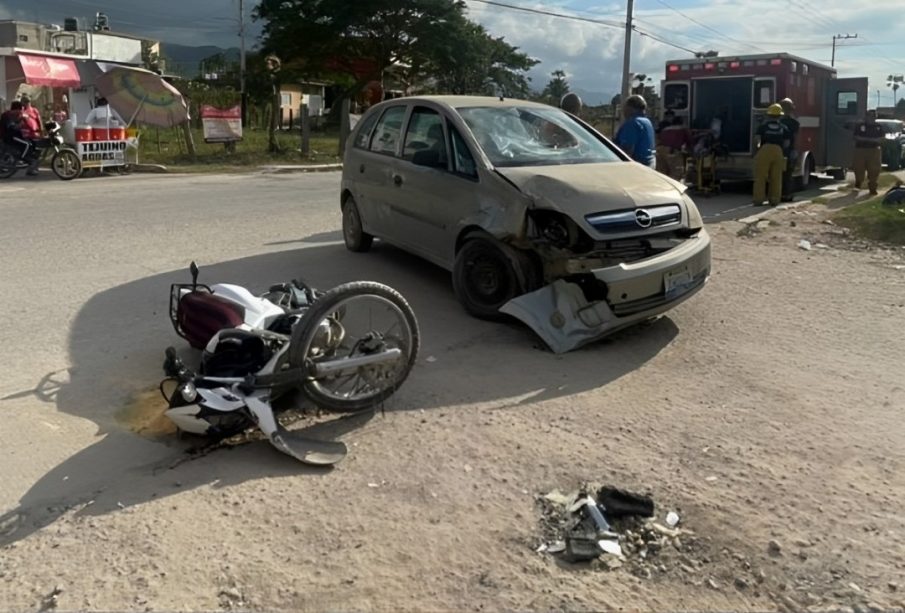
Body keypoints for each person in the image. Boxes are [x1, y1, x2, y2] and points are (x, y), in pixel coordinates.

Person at [752, 103, 790, 206]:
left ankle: (758, 200)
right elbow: (787, 143)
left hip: (765, 149)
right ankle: (774, 199)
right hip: (778, 151)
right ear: (780, 116)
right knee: (776, 177)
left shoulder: (763, 126)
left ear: (768, 115)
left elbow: (757, 140)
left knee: (761, 176)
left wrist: (757, 150)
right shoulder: (783, 127)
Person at [615, 94, 656, 168]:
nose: (623, 111)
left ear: (631, 108)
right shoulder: (647, 122)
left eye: (624, 108)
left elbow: (627, 150)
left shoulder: (633, 123)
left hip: (637, 165)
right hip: (650, 163)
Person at [852, 109, 884, 196]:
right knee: (859, 168)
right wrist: (870, 140)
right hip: (860, 149)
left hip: (874, 150)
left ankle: (872, 188)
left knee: (874, 170)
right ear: (866, 117)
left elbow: (881, 138)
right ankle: (858, 183)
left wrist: (873, 141)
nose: (871, 118)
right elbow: (855, 137)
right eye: (869, 116)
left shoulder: (878, 126)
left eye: (873, 116)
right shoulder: (860, 126)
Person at [656, 115, 692, 180]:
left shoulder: (665, 129)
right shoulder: (683, 129)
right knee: (676, 173)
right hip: (672, 152)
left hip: (659, 151)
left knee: (662, 173)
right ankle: (672, 189)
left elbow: (659, 139)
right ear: (682, 122)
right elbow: (689, 142)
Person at [778, 98, 800, 202]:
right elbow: (795, 138)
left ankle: (778, 194)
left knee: (778, 174)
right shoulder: (795, 122)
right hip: (790, 150)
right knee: (788, 174)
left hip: (778, 150)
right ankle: (788, 195)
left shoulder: (778, 121)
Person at [18, 96, 43, 175]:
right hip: (31, 134)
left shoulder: (25, 111)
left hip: (30, 134)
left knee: (34, 151)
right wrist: (41, 130)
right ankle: (32, 168)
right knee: (33, 151)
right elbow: (39, 121)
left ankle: (32, 167)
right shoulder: (31, 110)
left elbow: (39, 120)